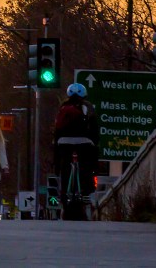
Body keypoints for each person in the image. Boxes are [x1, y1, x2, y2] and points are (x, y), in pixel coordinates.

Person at [53, 82, 99, 217]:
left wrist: (56, 144)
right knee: (87, 166)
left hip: (64, 142)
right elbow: (94, 127)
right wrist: (95, 142)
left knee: (64, 169)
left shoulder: (63, 106)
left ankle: (63, 196)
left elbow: (57, 128)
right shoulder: (88, 106)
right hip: (84, 143)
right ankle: (86, 192)